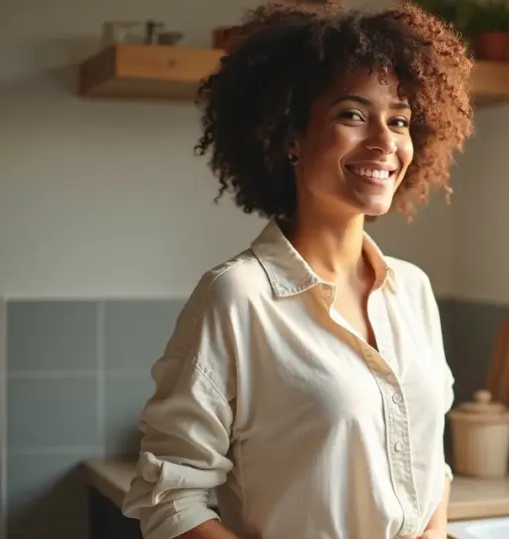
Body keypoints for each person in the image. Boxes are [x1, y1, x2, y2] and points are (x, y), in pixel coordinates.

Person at [120, 2, 475, 538]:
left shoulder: (413, 290)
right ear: (291, 137)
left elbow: (429, 464)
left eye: (398, 119)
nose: (384, 140)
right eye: (352, 115)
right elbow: (171, 497)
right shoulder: (237, 297)